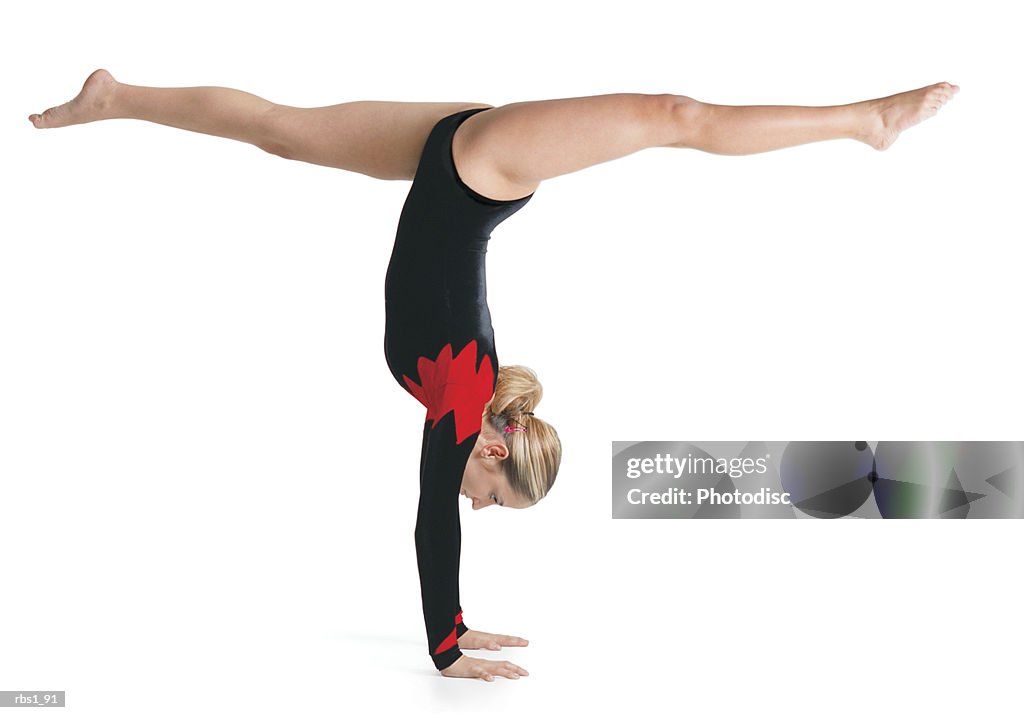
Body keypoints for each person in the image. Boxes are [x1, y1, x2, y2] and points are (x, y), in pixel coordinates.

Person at [28, 71, 959, 682]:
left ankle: (115, 98)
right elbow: (432, 512)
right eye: (496, 495)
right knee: (678, 120)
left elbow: (443, 503)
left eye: (488, 505)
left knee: (281, 131)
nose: (475, 501)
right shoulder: (463, 405)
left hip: (450, 157)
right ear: (501, 445)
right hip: (483, 168)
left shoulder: (457, 402)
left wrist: (457, 621)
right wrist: (444, 643)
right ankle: (869, 121)